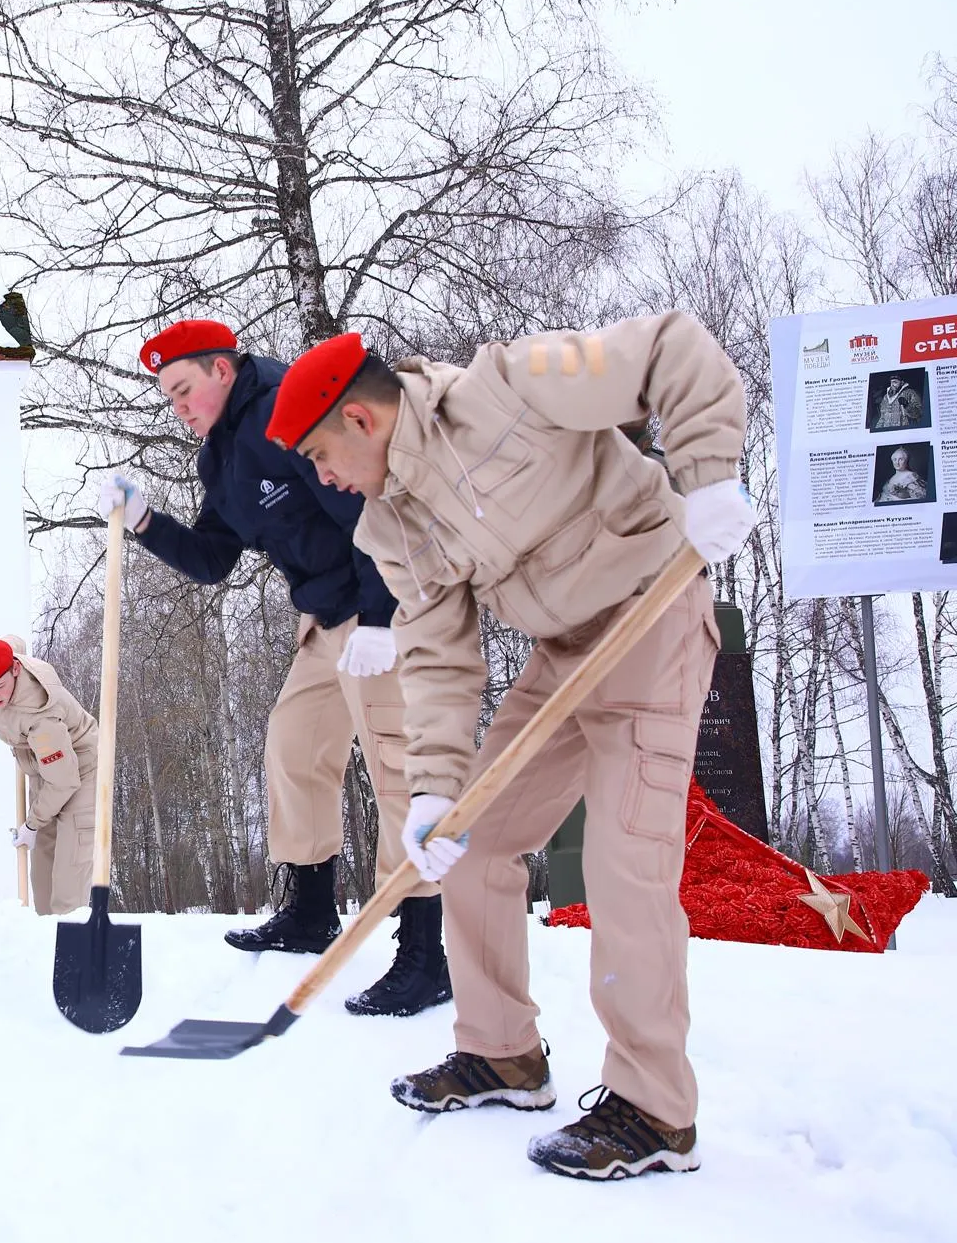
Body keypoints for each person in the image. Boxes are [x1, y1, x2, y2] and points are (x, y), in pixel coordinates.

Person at [266, 315, 753, 1180]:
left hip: (653, 615)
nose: (324, 477)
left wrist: (710, 477)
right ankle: (501, 1053)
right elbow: (442, 660)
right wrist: (434, 791)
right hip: (563, 656)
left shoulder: (514, 386)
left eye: (318, 454)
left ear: (361, 420)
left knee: (623, 865)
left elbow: (673, 348)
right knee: (475, 838)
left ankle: (654, 1109)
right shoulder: (388, 530)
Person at [94, 318, 449, 1018]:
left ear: (223, 369)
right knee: (293, 747)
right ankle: (313, 911)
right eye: (169, 398)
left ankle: (426, 951)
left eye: (185, 388)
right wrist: (144, 523)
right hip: (322, 619)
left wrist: (379, 620)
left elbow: (370, 513)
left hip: (377, 605)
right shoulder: (219, 459)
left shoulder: (289, 406)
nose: (180, 406)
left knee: (397, 769)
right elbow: (212, 559)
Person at [0, 636, 97, 915]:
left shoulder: (39, 713)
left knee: (68, 883)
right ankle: (45, 943)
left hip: (80, 769)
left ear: (15, 669)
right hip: (41, 766)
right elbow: (14, 643)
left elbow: (64, 780)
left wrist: (32, 825)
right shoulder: (1, 666)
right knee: (42, 879)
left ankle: (71, 945)